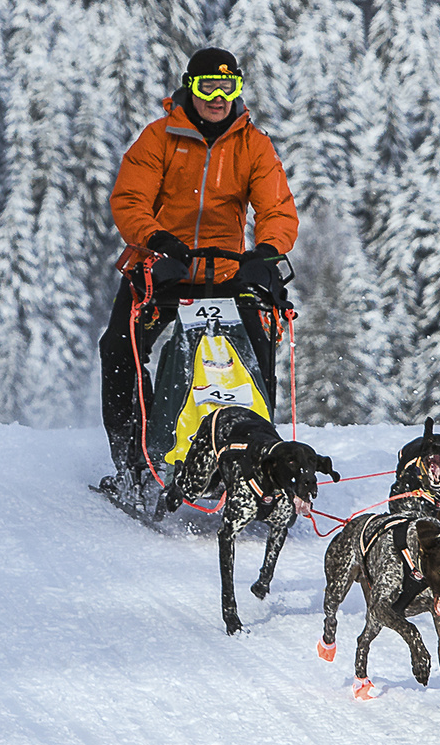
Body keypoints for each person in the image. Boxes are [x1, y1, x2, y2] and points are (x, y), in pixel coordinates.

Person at [99, 47, 299, 503]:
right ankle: (136, 461)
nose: (217, 96)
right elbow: (129, 200)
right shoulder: (159, 137)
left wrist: (265, 253)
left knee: (258, 353)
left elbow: (277, 208)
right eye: (207, 85)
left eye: (228, 87)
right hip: (162, 266)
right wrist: (157, 239)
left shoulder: (253, 143)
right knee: (119, 347)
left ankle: (258, 462)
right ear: (189, 86)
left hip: (228, 269)